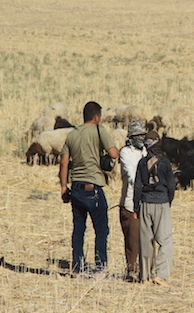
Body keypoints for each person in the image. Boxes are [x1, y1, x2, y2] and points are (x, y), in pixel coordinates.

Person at [59, 101, 120, 276]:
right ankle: (100, 267)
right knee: (101, 230)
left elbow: (64, 162)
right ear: (97, 116)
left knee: (78, 229)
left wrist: (64, 186)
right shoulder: (100, 131)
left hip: (76, 186)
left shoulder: (72, 134)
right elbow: (114, 154)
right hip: (93, 187)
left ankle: (77, 267)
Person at [133, 130, 175, 286]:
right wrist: (168, 201)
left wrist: (137, 206)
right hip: (161, 202)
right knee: (165, 240)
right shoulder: (165, 162)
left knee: (145, 241)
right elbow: (171, 185)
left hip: (145, 203)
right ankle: (161, 275)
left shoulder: (142, 163)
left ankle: (144, 276)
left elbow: (137, 186)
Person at [118, 120, 148, 281]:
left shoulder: (146, 152)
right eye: (138, 135)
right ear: (131, 136)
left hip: (146, 202)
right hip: (129, 203)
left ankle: (145, 271)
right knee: (132, 240)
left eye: (143, 134)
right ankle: (131, 270)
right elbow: (131, 175)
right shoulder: (125, 153)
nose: (142, 137)